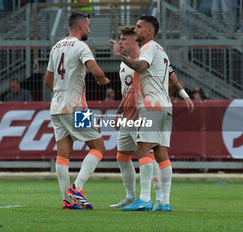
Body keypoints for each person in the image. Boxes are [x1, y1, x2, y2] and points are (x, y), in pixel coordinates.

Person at [110, 16, 194, 211]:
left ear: (149, 31)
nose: (136, 30)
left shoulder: (148, 48)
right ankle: (164, 202)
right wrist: (184, 96)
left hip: (151, 105)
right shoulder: (161, 51)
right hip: (165, 106)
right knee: (161, 154)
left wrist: (119, 55)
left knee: (143, 148)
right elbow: (171, 77)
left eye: (139, 27)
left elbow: (141, 66)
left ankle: (145, 198)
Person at [45, 11, 110, 210]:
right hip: (77, 108)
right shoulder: (82, 46)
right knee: (99, 147)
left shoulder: (56, 47)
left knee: (63, 155)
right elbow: (95, 69)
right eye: (88, 25)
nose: (90, 29)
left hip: (56, 107)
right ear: (81, 26)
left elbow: (48, 80)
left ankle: (67, 200)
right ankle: (77, 188)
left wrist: (60, 94)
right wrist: (103, 80)